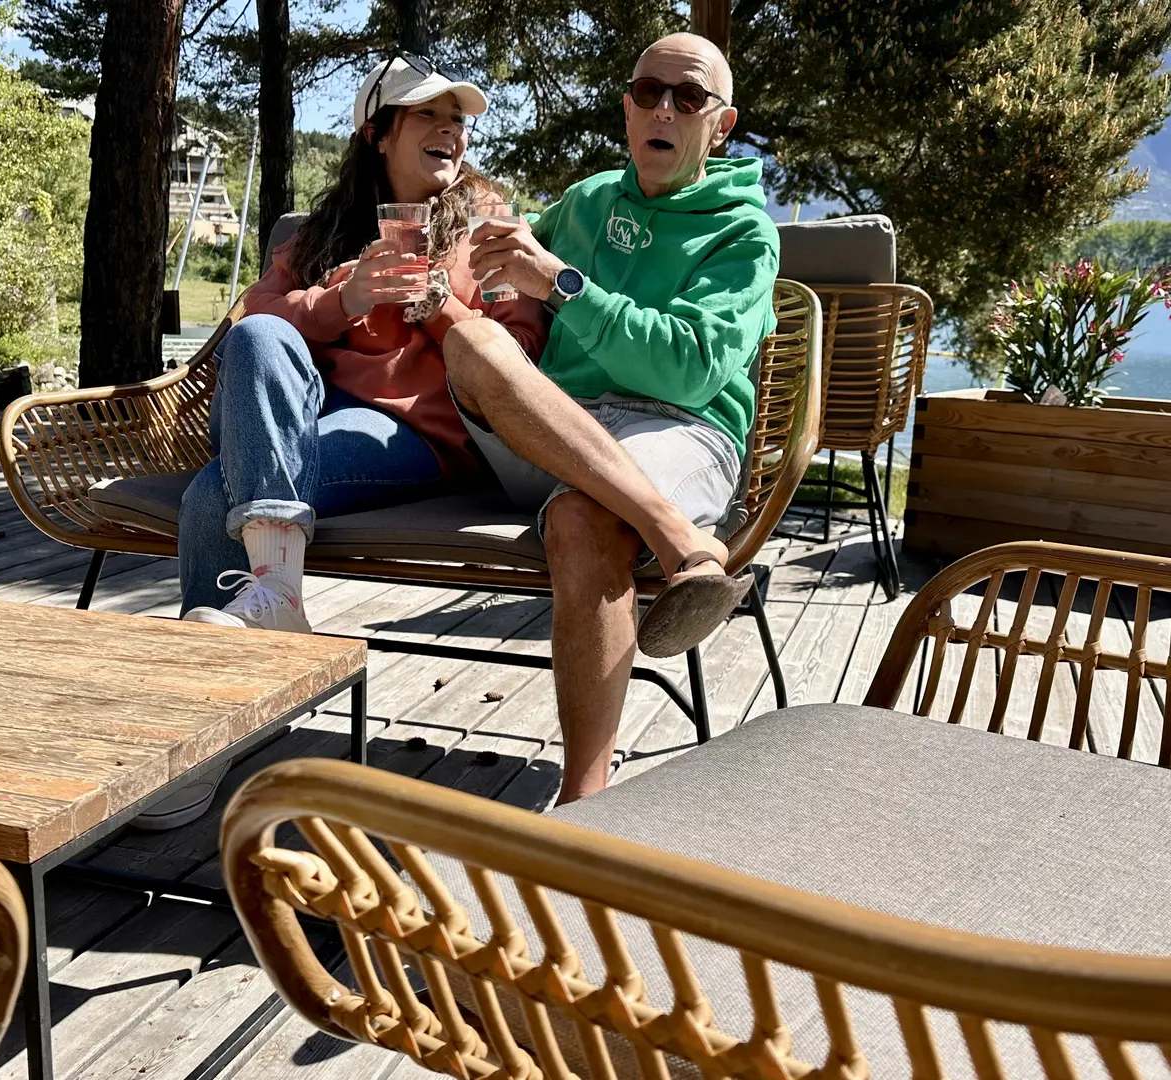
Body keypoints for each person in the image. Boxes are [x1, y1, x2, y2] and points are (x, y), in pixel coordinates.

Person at [152, 56, 543, 830]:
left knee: (210, 493)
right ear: (377, 133)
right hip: (306, 423)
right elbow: (252, 324)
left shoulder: (492, 229)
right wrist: (348, 296)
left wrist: (437, 307)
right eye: (426, 115)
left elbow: (518, 355)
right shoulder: (321, 232)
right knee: (265, 333)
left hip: (424, 435)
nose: (450, 131)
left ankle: (207, 733)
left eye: (457, 119)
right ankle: (274, 609)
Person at [446, 32, 780, 804]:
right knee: (473, 343)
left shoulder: (742, 232)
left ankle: (585, 804)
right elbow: (495, 269)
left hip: (678, 427)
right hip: (555, 428)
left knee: (584, 518)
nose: (664, 108)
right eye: (647, 92)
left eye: (688, 97)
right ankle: (678, 539)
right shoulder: (590, 199)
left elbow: (691, 369)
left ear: (719, 126)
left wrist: (564, 286)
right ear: (628, 107)